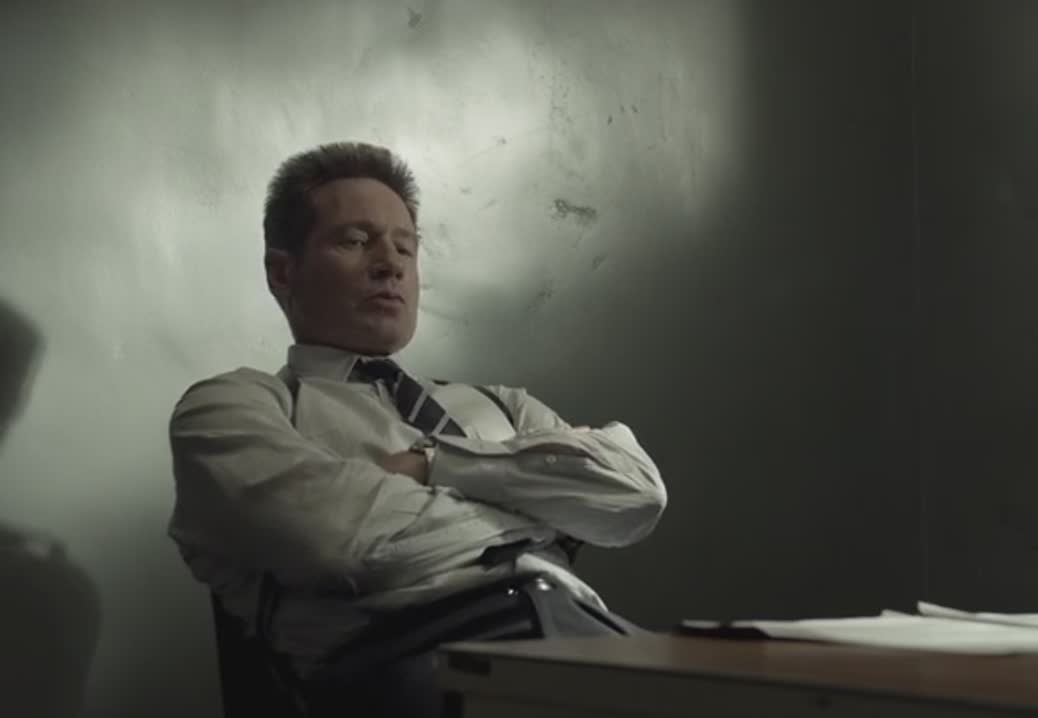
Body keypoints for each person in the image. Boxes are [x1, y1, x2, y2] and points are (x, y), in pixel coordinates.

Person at [166, 141, 667, 717]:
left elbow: (635, 495)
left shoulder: (502, 404)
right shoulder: (234, 408)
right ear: (284, 272)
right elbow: (341, 543)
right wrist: (538, 514)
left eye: (405, 246)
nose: (391, 264)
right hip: (414, 667)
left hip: (592, 636)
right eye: (355, 241)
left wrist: (433, 466)